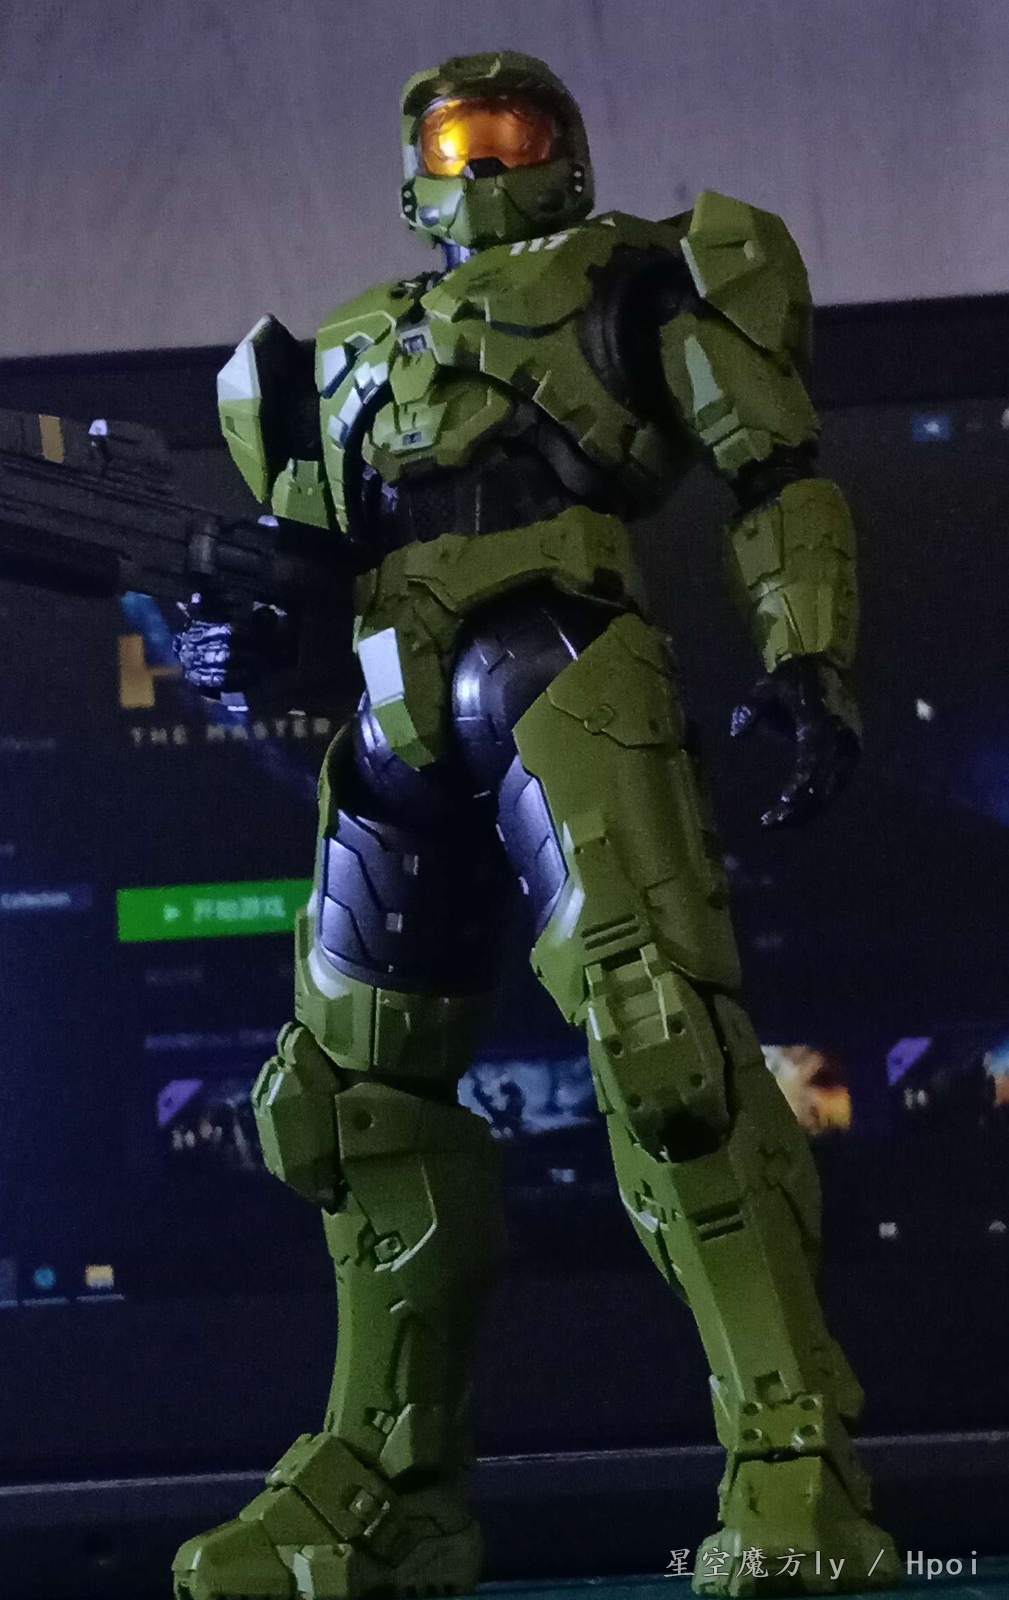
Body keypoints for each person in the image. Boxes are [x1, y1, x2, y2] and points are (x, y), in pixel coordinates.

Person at [171, 49, 898, 1600]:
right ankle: (389, 1489)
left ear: (565, 149)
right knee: (348, 1106)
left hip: (562, 668)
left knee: (665, 1052)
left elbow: (774, 470)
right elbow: (298, 577)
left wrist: (808, 658)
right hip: (393, 714)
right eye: (456, 139)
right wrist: (232, 635)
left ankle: (795, 1465)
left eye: (513, 131)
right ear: (413, 171)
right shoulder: (341, 353)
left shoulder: (641, 282)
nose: (486, 160)